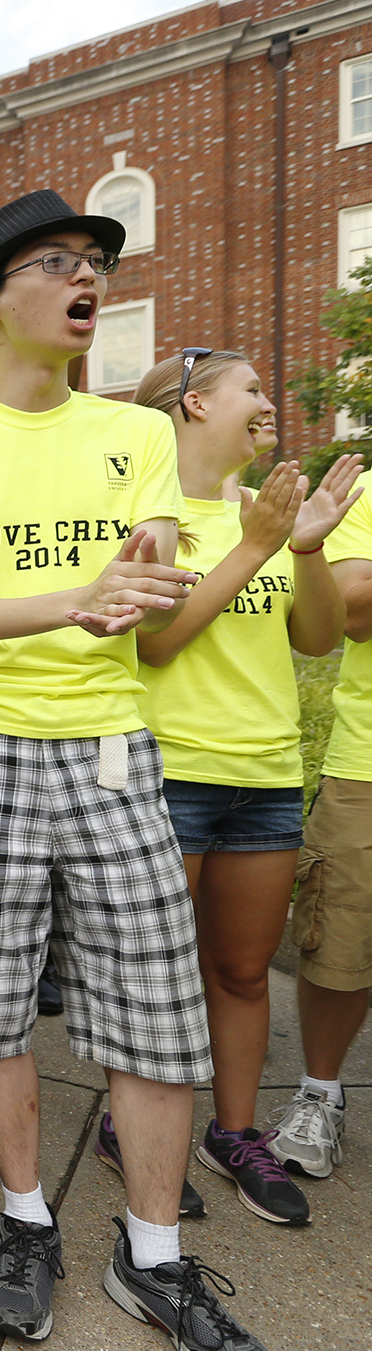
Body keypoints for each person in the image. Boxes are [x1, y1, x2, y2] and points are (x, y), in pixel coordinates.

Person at [0, 186, 295, 1351]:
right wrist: (76, 598)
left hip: (112, 740)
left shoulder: (138, 435)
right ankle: (24, 1218)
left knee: (154, 1001)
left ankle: (156, 1257)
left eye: (94, 261)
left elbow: (149, 588)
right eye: (55, 260)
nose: (85, 276)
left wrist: (141, 585)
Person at [127, 350, 362, 1227]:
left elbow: (317, 636)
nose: (272, 403)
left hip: (262, 776)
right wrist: (259, 543)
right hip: (170, 771)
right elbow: (155, 643)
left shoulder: (264, 513)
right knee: (155, 977)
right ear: (194, 404)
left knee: (241, 971)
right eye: (254, 390)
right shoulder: (153, 515)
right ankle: (132, 1130)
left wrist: (303, 548)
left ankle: (234, 1133)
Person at [280, 450, 372, 1187]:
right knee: (338, 941)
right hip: (366, 768)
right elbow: (351, 609)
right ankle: (319, 1092)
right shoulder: (364, 495)